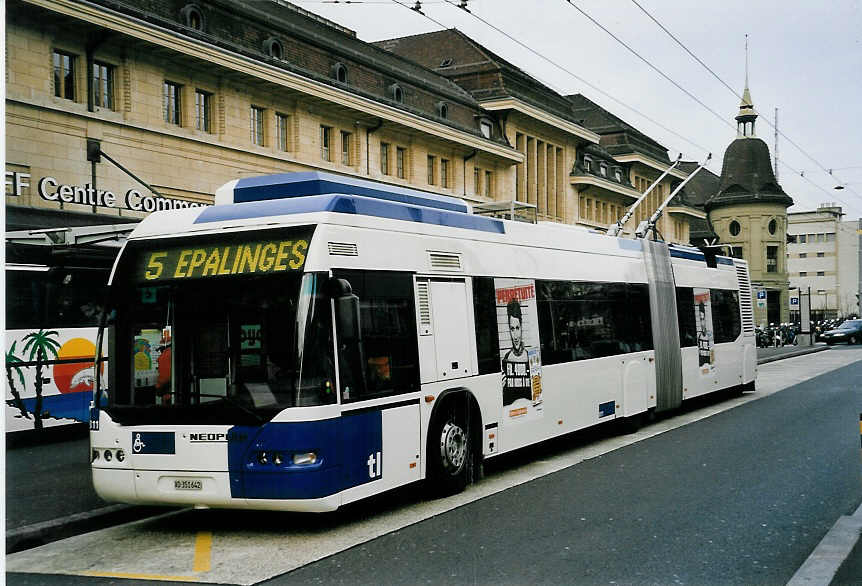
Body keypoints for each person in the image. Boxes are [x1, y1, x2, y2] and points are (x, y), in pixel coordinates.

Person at [502, 299, 531, 406]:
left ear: (522, 327)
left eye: (517, 328)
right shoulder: (507, 357)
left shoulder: (530, 356)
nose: (515, 335)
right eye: (512, 329)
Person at [697, 302, 711, 366]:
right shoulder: (700, 335)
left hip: (708, 357)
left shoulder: (709, 334)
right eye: (701, 319)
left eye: (703, 319)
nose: (702, 323)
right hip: (702, 357)